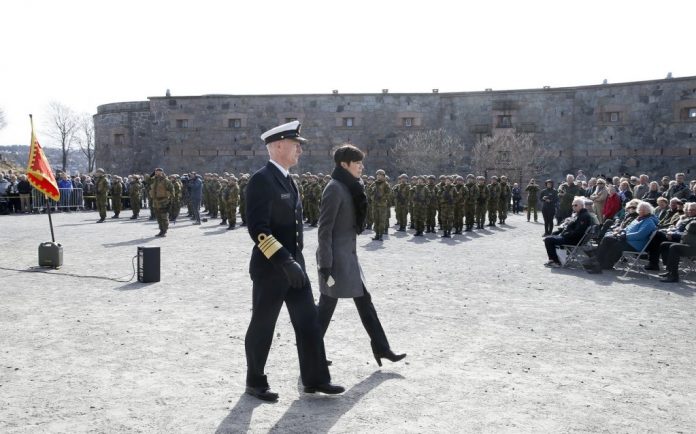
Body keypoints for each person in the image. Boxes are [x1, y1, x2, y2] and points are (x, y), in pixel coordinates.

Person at [243, 120, 343, 402]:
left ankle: (316, 379)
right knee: (263, 324)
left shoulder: (289, 180)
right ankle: (255, 381)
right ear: (277, 146)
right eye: (295, 144)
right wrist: (285, 261)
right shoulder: (261, 180)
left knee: (309, 322)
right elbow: (258, 229)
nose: (300, 150)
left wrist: (295, 262)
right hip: (271, 268)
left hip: (295, 268)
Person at [316, 144, 406, 368]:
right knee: (326, 307)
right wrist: (325, 265)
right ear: (344, 165)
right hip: (334, 262)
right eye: (357, 163)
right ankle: (310, 352)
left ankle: (381, 347)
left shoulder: (351, 187)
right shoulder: (334, 188)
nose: (361, 167)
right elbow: (324, 229)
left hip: (349, 258)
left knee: (365, 301)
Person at [583, 201, 658, 273]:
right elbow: (627, 228)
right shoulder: (639, 218)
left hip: (635, 244)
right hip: (627, 240)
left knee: (615, 245)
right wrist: (620, 232)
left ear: (648, 211)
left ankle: (606, 264)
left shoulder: (649, 222)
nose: (641, 211)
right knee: (607, 239)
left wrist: (624, 235)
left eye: (643, 210)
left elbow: (639, 235)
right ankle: (597, 261)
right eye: (640, 209)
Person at [542, 197, 592, 267]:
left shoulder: (584, 216)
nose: (573, 207)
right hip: (572, 238)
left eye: (575, 205)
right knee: (551, 236)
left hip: (574, 240)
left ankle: (555, 261)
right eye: (572, 205)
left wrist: (565, 234)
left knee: (548, 240)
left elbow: (578, 232)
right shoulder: (580, 214)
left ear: (581, 206)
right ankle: (555, 259)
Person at [149, 168, 174, 237]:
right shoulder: (154, 180)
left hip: (164, 202)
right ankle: (161, 230)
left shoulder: (166, 181)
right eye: (155, 172)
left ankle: (164, 231)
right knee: (158, 218)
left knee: (164, 217)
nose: (156, 174)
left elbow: (172, 191)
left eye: (158, 172)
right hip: (156, 202)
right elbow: (146, 181)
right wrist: (152, 175)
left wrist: (170, 202)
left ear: (162, 173)